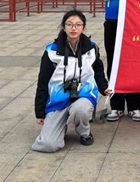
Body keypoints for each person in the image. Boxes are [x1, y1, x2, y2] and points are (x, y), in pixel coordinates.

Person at [33, 9, 110, 152]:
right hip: (58, 100)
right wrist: (39, 112)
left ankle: (84, 133)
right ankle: (60, 127)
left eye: (78, 24)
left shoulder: (92, 48)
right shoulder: (51, 51)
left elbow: (98, 71)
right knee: (47, 145)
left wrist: (104, 87)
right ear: (63, 27)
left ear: (83, 27)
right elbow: (42, 82)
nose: (73, 28)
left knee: (81, 109)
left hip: (83, 96)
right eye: (69, 24)